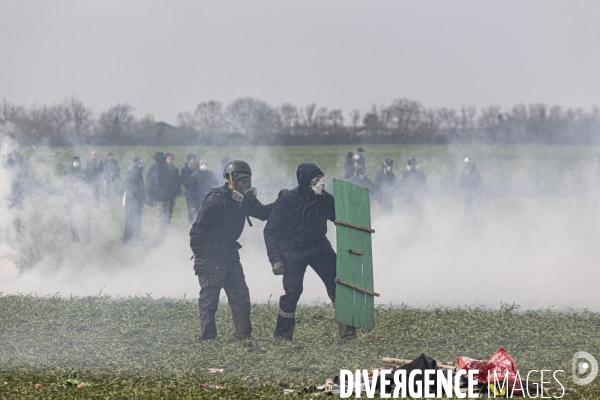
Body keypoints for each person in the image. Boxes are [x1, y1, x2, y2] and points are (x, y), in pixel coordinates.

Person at [263, 163, 358, 342]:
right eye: (317, 180)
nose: (321, 183)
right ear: (306, 182)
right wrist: (275, 259)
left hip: (319, 248)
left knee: (338, 284)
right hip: (292, 251)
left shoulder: (325, 199)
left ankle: (348, 335)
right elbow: (270, 231)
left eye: (322, 179)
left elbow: (340, 218)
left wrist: (355, 223)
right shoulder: (287, 201)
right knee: (293, 291)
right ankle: (282, 335)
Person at [190, 160, 276, 341]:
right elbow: (197, 231)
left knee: (240, 294)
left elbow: (264, 213)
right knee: (209, 298)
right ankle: (208, 338)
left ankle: (243, 335)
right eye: (241, 180)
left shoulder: (246, 201)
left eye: (248, 180)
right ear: (230, 180)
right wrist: (200, 257)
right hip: (211, 253)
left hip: (230, 253)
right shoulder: (215, 201)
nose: (245, 184)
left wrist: (282, 202)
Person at [145, 152, 175, 245]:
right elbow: (150, 184)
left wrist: (150, 197)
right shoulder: (164, 169)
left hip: (163, 198)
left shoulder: (154, 169)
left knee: (163, 220)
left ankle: (161, 239)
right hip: (161, 199)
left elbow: (149, 185)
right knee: (162, 220)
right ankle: (158, 240)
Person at [63, 156, 92, 244]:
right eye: (74, 161)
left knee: (85, 220)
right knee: (73, 220)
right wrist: (72, 185)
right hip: (72, 199)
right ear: (72, 162)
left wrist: (84, 185)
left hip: (82, 200)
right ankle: (75, 238)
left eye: (77, 161)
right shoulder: (68, 172)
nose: (76, 162)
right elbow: (64, 183)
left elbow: (88, 182)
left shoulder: (83, 172)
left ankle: (87, 239)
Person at [4, 151, 28, 236]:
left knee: (16, 215)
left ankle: (17, 234)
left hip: (17, 194)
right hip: (8, 194)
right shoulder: (7, 163)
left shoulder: (22, 165)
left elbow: (24, 179)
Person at [123, 157, 145, 246]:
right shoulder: (133, 174)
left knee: (135, 221)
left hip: (136, 202)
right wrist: (141, 198)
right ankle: (129, 241)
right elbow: (134, 190)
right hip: (133, 203)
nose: (141, 165)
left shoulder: (137, 174)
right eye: (140, 163)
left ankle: (133, 241)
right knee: (132, 221)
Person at [459, 158, 484, 235]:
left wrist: (464, 175)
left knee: (469, 217)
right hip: (469, 200)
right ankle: (478, 235)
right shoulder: (469, 175)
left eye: (467, 165)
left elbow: (463, 185)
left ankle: (459, 234)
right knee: (470, 217)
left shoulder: (474, 175)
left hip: (472, 199)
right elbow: (460, 185)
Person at [180, 153, 200, 223]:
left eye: (194, 159)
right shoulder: (185, 169)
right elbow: (182, 179)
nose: (193, 160)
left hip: (199, 191)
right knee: (191, 208)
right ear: (189, 160)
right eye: (191, 159)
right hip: (189, 192)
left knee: (199, 208)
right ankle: (191, 223)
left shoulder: (199, 168)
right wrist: (188, 184)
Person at [165, 153, 180, 224]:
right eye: (168, 158)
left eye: (171, 159)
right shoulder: (162, 169)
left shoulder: (175, 169)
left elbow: (177, 181)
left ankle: (168, 221)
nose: (170, 160)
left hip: (172, 192)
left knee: (170, 207)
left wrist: (175, 190)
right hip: (164, 192)